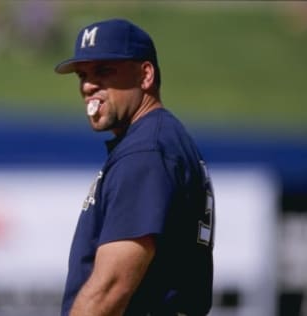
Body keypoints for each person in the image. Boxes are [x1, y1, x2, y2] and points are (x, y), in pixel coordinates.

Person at [54, 18, 215, 316]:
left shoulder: (146, 152)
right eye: (82, 74)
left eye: (104, 70)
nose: (88, 86)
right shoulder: (161, 139)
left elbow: (111, 288)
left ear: (145, 75)